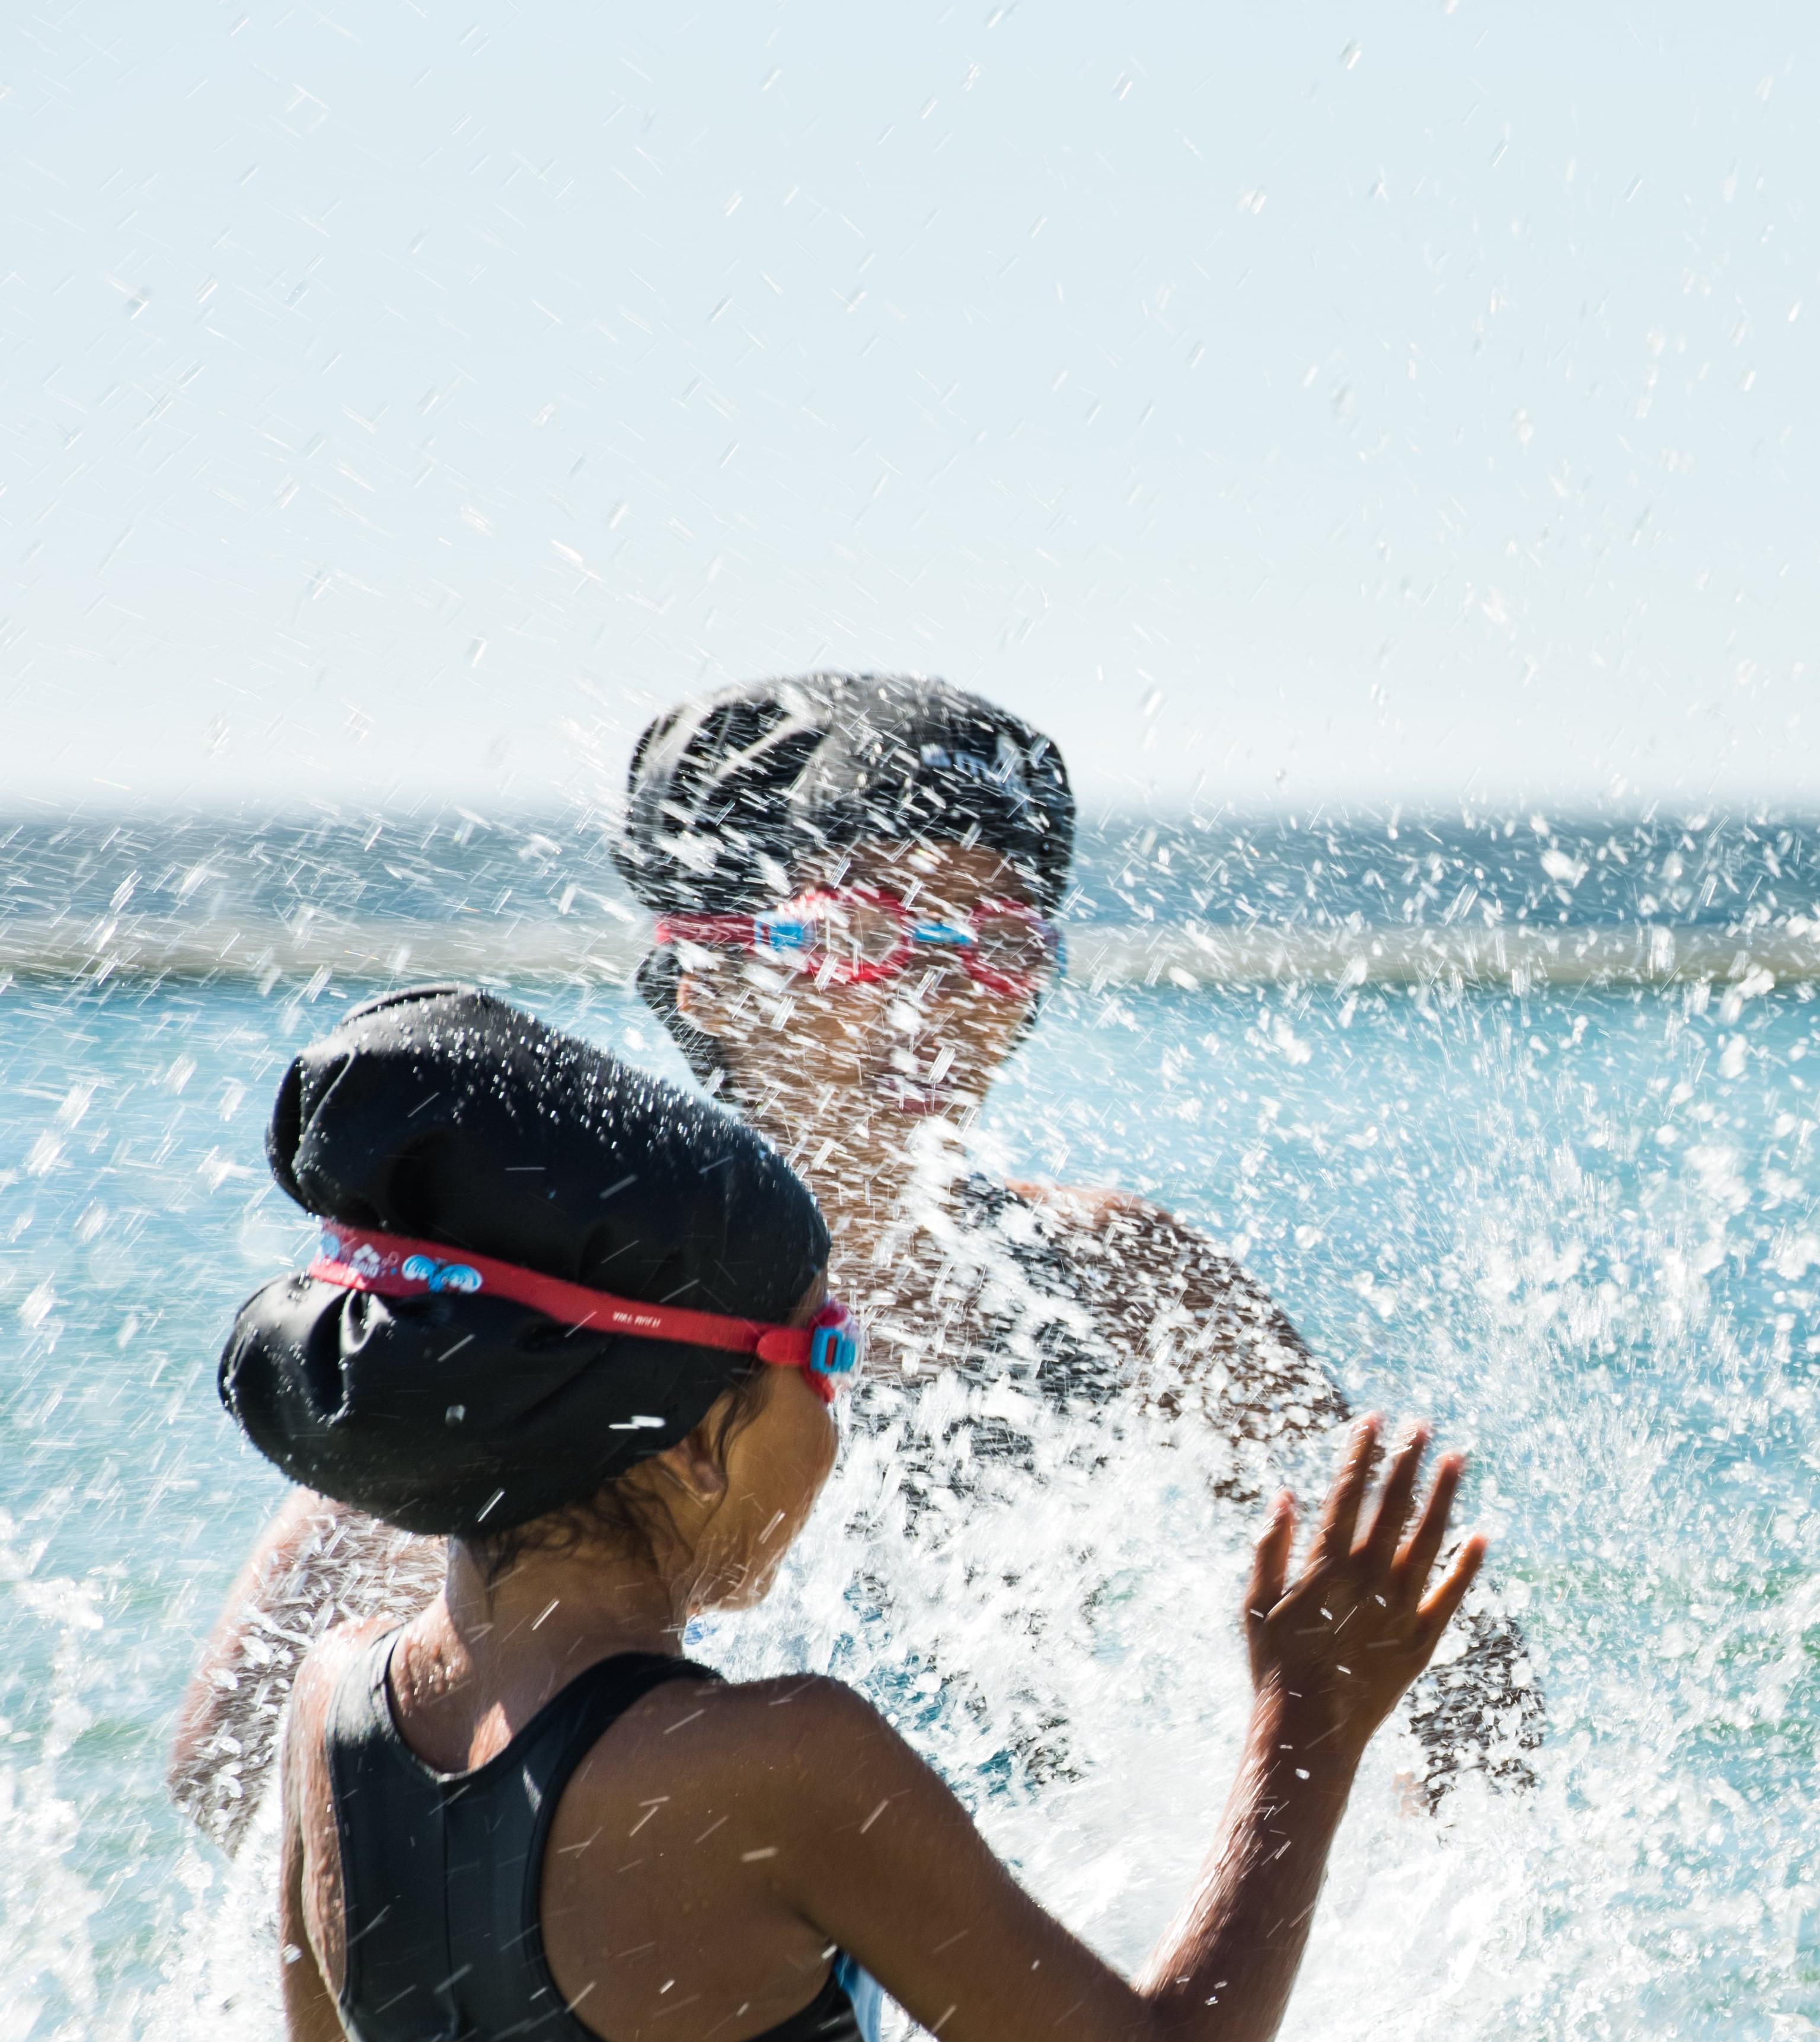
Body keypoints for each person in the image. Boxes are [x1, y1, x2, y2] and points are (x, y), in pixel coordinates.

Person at [232, 982, 1485, 2042]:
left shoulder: (333, 1708)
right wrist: (1305, 1723)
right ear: (691, 1441)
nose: (852, 1411)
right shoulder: (772, 1762)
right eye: (826, 1356)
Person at [170, 672, 1536, 1848]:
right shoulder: (555, 1312)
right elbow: (234, 1755)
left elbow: (1442, 1640)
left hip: (1041, 1998)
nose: (932, 1000)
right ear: (708, 973)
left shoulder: (1123, 1284)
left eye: (992, 947)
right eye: (865, 938)